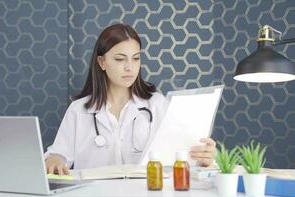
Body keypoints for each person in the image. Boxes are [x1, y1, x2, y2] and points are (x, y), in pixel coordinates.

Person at [45, 23, 216, 175]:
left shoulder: (156, 104)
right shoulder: (79, 110)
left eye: (135, 58)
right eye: (120, 59)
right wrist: (53, 160)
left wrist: (202, 156)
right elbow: (58, 155)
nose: (129, 67)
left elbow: (180, 154)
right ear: (102, 62)